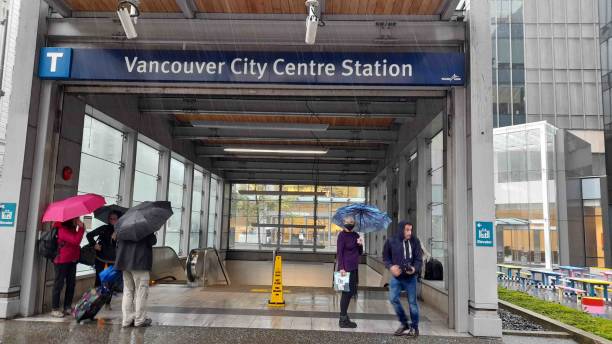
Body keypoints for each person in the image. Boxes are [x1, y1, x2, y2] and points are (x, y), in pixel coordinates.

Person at [383, 221, 422, 337]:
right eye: (407, 230)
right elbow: (386, 257)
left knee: (412, 303)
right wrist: (391, 267)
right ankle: (404, 323)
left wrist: (414, 269)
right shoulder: (391, 241)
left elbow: (419, 259)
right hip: (397, 277)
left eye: (411, 230)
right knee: (393, 298)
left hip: (411, 278)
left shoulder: (415, 241)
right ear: (401, 230)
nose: (410, 232)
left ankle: (414, 328)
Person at [115, 233, 157, 328]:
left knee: (127, 291)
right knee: (141, 291)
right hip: (139, 263)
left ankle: (126, 320)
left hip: (125, 263)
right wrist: (152, 233)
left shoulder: (123, 227)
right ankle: (139, 320)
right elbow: (152, 241)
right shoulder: (144, 228)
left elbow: (117, 243)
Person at [51, 217, 85, 318]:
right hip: (62, 261)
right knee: (59, 284)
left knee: (71, 284)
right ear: (69, 220)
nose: (78, 220)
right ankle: (55, 308)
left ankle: (67, 307)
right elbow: (75, 241)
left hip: (72, 260)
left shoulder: (71, 229)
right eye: (76, 219)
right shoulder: (62, 229)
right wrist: (82, 228)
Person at [336, 216, 363, 328]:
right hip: (344, 269)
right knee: (345, 293)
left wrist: (360, 244)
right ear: (344, 223)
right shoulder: (341, 236)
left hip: (354, 268)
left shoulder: (356, 235)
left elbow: (360, 252)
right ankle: (343, 319)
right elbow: (339, 253)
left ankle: (344, 316)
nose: (351, 223)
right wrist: (341, 267)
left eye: (352, 222)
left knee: (351, 292)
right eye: (349, 222)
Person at [87, 211, 120, 287]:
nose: (112, 220)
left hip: (113, 260)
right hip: (100, 258)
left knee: (110, 282)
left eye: (114, 219)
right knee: (99, 280)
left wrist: (117, 237)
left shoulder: (121, 231)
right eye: (110, 218)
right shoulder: (104, 228)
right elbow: (89, 235)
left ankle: (107, 298)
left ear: (118, 219)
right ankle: (97, 297)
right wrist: (94, 244)